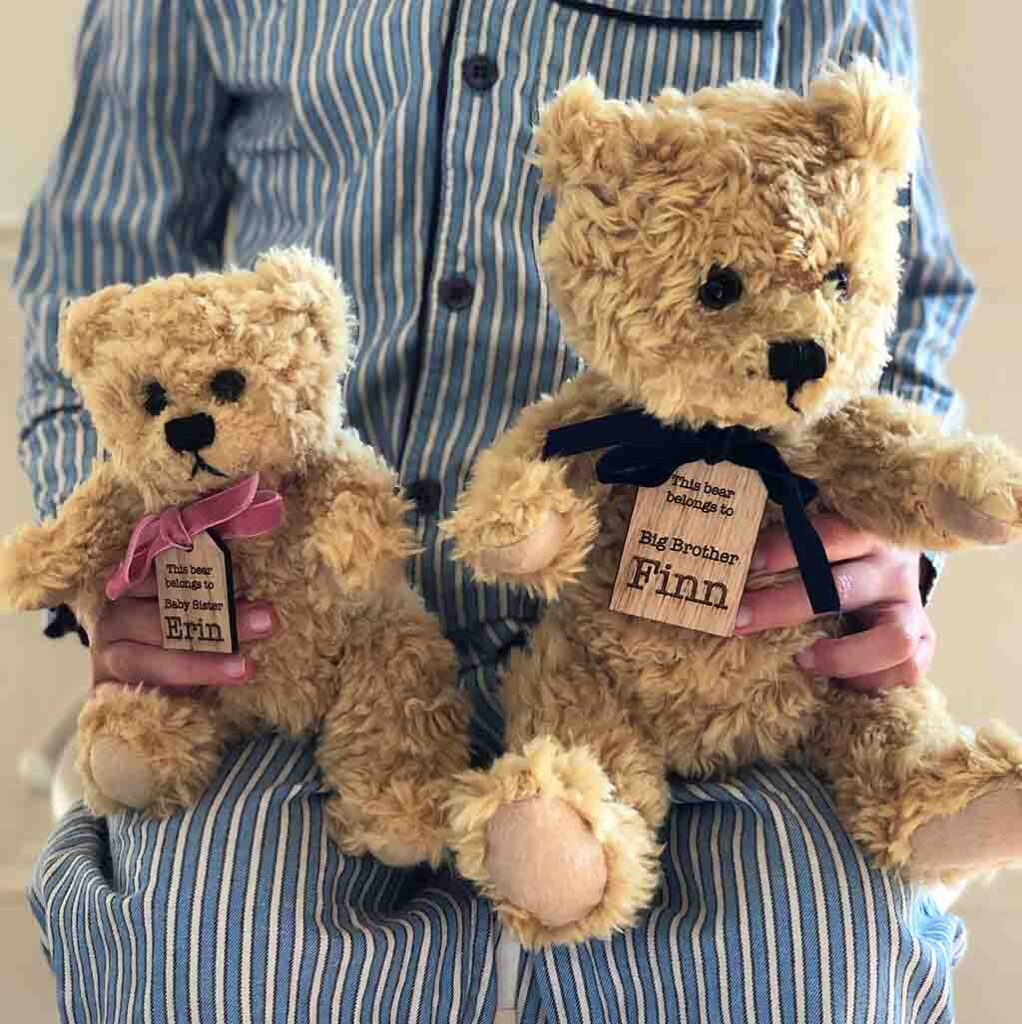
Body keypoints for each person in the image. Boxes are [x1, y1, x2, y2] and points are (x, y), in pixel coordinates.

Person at [14, 1, 972, 1021]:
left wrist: (882, 541)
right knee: (209, 956)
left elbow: (898, 281)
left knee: (813, 962)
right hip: (305, 633)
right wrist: (124, 553)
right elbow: (99, 250)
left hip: (686, 647)